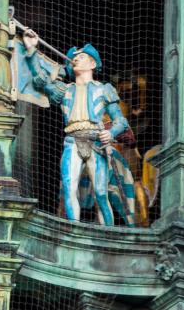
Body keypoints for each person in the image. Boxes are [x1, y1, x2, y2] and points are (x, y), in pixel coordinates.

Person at [21, 32, 135, 226]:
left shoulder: (104, 89)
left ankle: (108, 234)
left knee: (100, 193)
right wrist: (31, 48)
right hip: (72, 142)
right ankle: (74, 230)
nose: (75, 59)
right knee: (69, 188)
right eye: (73, 58)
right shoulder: (65, 90)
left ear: (92, 64)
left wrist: (111, 133)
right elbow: (41, 80)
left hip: (95, 143)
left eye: (80, 57)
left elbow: (121, 121)